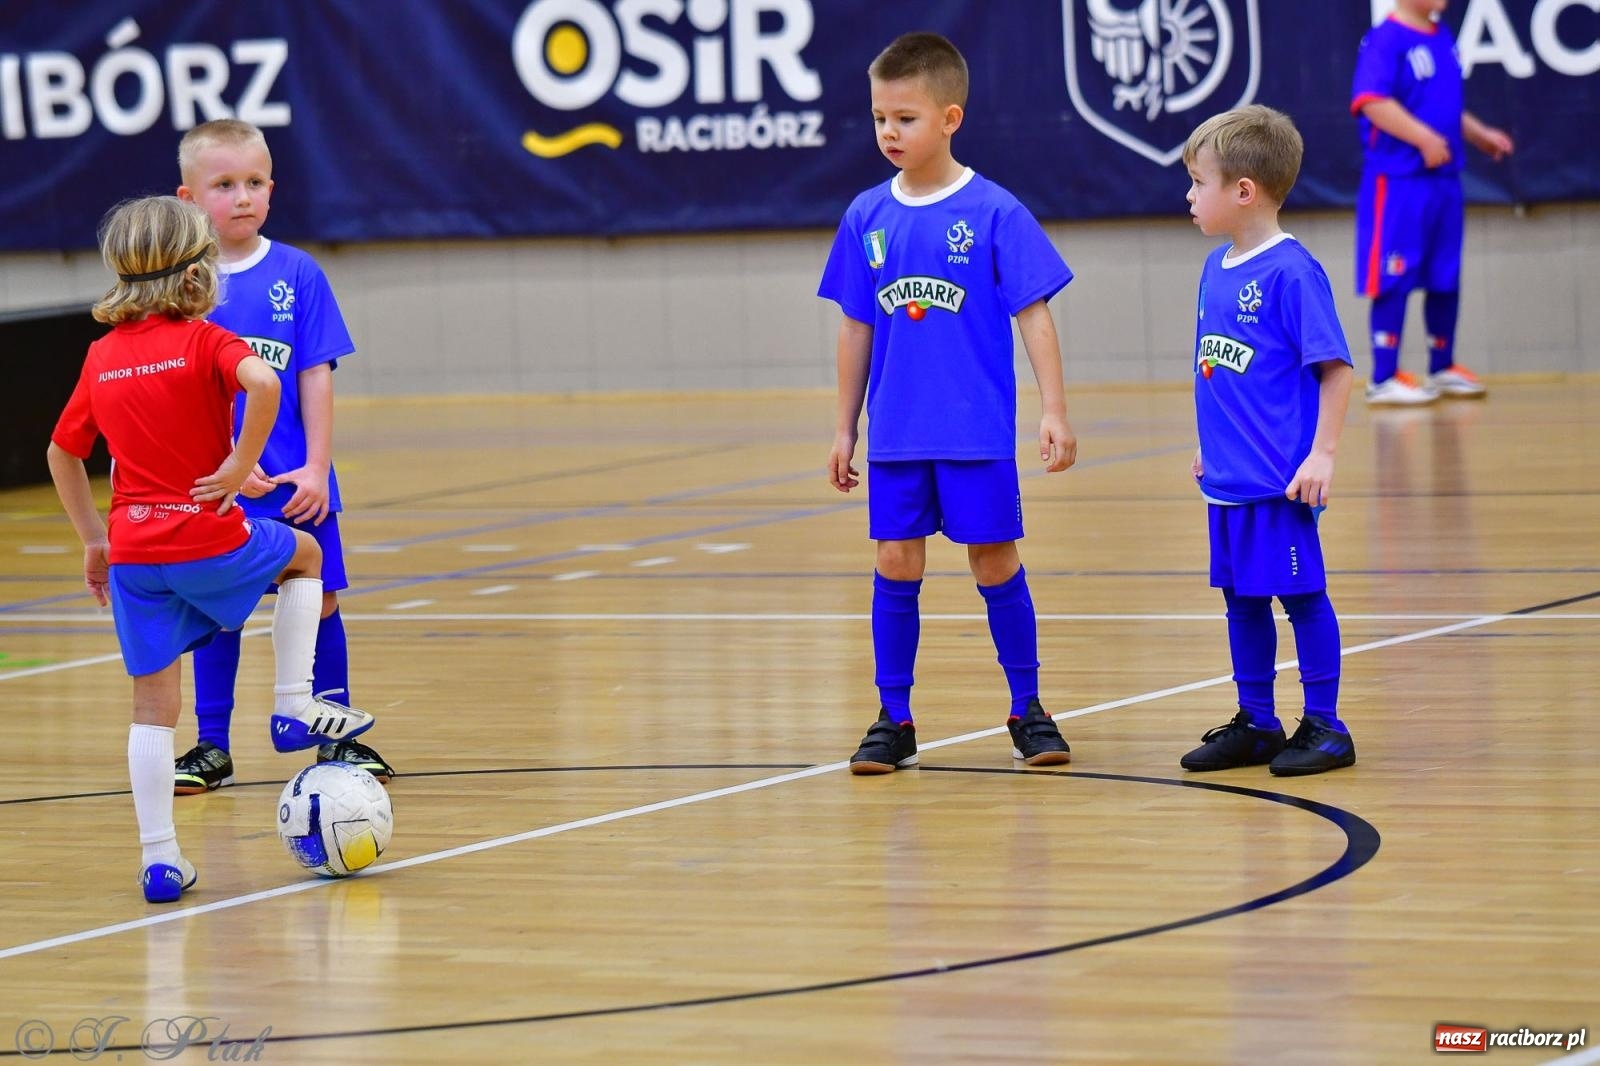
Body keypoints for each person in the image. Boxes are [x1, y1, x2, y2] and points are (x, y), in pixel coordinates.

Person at [47, 196, 377, 902]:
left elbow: (61, 451)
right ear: (197, 268)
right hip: (203, 530)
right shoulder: (205, 337)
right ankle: (292, 703)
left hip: (134, 553)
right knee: (306, 557)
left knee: (150, 708)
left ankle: (160, 860)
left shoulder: (102, 355)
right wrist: (237, 466)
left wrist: (93, 541)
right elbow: (264, 381)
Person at [818, 32, 1077, 774]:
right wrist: (844, 428)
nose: (889, 133)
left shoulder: (995, 211)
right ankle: (893, 718)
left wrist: (1053, 410)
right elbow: (855, 327)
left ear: (950, 117)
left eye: (905, 117)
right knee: (896, 563)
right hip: (897, 435)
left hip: (975, 432)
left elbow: (1035, 314)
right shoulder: (866, 216)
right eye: (878, 119)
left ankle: (1028, 708)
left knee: (994, 562)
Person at [173, 119, 393, 793]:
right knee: (217, 611)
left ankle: (332, 737)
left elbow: (316, 373)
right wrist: (223, 468)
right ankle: (212, 746)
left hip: (295, 482)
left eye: (255, 182)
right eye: (224, 184)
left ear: (273, 188)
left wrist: (319, 466)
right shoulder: (180, 288)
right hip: (218, 485)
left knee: (319, 599)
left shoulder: (297, 272)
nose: (242, 197)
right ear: (187, 199)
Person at [1178, 105, 1357, 776]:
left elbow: (1336, 370)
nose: (1190, 196)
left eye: (1199, 182)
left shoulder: (1292, 272)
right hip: (1227, 480)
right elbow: (1219, 371)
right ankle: (1257, 720)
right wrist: (1209, 445)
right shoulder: (1214, 269)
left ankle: (1326, 725)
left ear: (1243, 190)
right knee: (1241, 599)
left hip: (1279, 481)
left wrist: (1323, 454)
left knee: (1301, 596)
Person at [1351, 0, 1515, 405]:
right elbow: (1372, 101)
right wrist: (1421, 139)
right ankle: (1384, 376)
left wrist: (1479, 135)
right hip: (1400, 179)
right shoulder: (1385, 40)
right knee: (1394, 271)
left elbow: (1444, 108)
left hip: (1443, 179)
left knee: (1445, 272)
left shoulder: (1441, 35)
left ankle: (1442, 366)